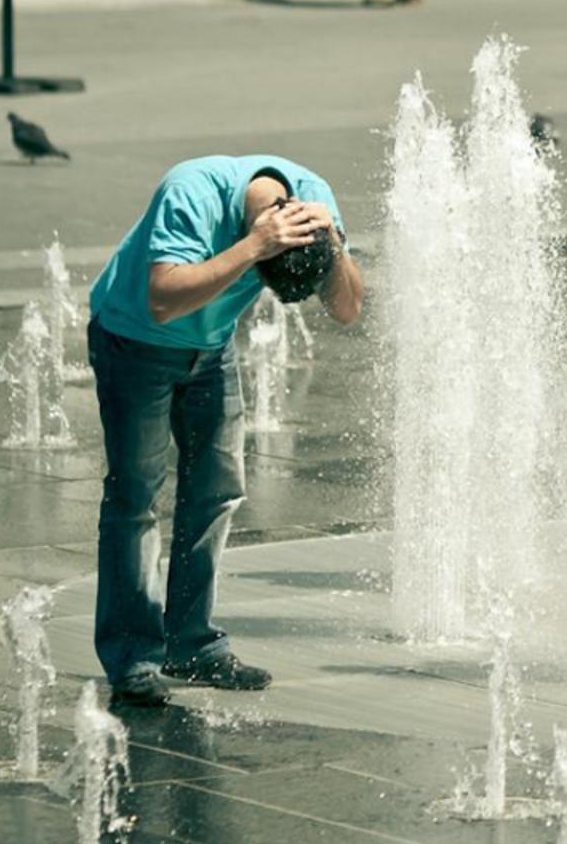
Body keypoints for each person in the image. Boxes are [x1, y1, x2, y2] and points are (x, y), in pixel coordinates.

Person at [86, 157, 364, 707]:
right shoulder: (191, 191)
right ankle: (133, 658)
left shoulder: (313, 198)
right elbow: (163, 300)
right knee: (135, 497)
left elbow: (348, 309)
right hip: (134, 341)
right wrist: (255, 248)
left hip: (210, 349)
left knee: (216, 493)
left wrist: (331, 239)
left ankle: (192, 647)